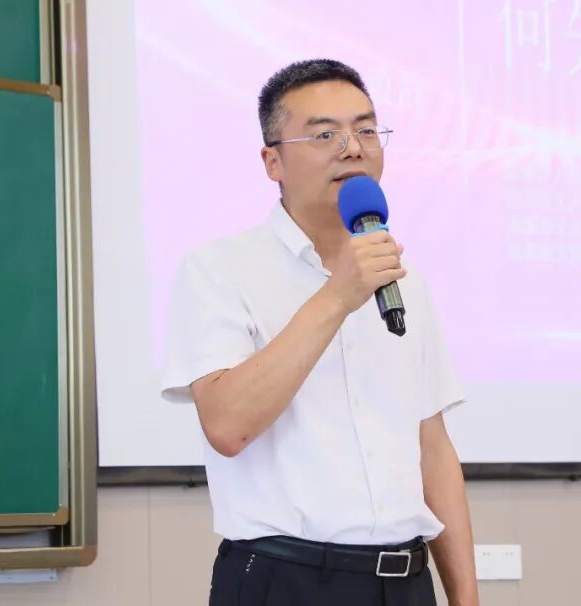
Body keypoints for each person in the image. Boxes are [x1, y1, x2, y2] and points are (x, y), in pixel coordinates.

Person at [161, 58, 478, 606]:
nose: (352, 148)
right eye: (325, 134)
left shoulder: (406, 282)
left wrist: (465, 598)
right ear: (272, 161)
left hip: (406, 583)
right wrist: (338, 295)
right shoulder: (218, 269)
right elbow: (228, 426)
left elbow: (433, 451)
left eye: (366, 130)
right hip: (285, 580)